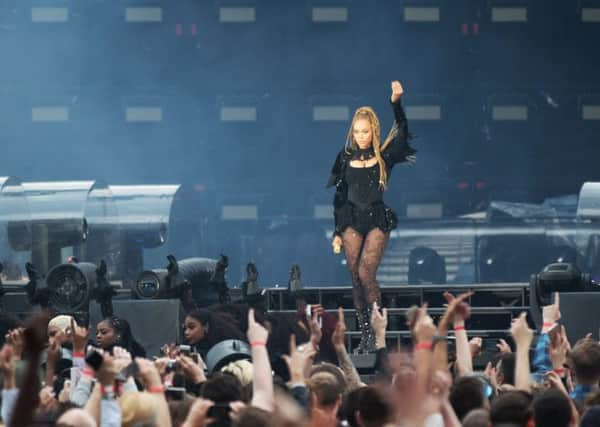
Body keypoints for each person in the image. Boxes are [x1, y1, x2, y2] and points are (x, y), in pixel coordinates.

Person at [327, 80, 416, 353]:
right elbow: (339, 196)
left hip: (377, 216)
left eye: (365, 131)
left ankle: (379, 332)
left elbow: (402, 132)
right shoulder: (344, 157)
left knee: (367, 271)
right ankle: (365, 335)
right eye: (357, 131)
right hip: (350, 219)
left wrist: (396, 103)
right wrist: (336, 233)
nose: (361, 135)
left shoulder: (383, 157)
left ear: (373, 130)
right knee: (355, 276)